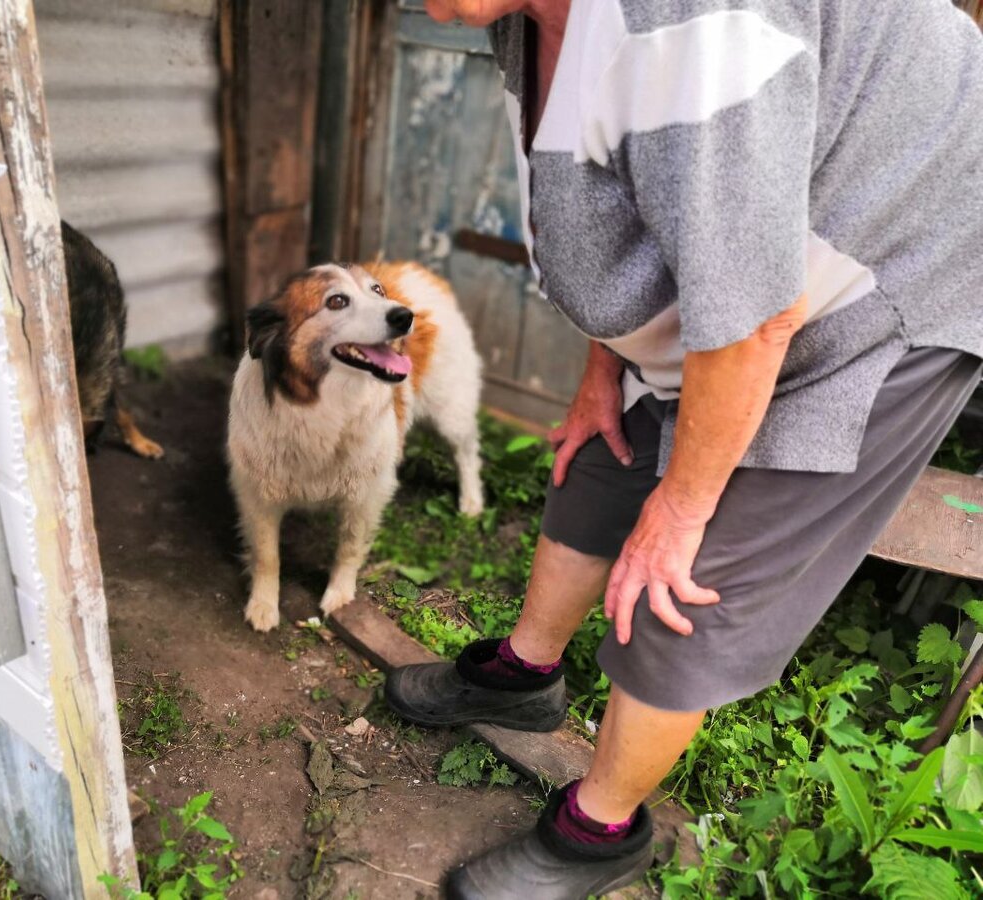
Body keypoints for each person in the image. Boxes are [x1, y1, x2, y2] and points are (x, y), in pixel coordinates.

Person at [383, 1, 983, 897]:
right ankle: (523, 678)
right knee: (607, 457)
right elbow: (613, 224)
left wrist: (684, 506)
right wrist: (605, 371)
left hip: (886, 276)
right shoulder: (522, 20)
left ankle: (601, 831)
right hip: (762, 264)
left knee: (692, 573)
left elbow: (755, 316)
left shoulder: (691, 23)